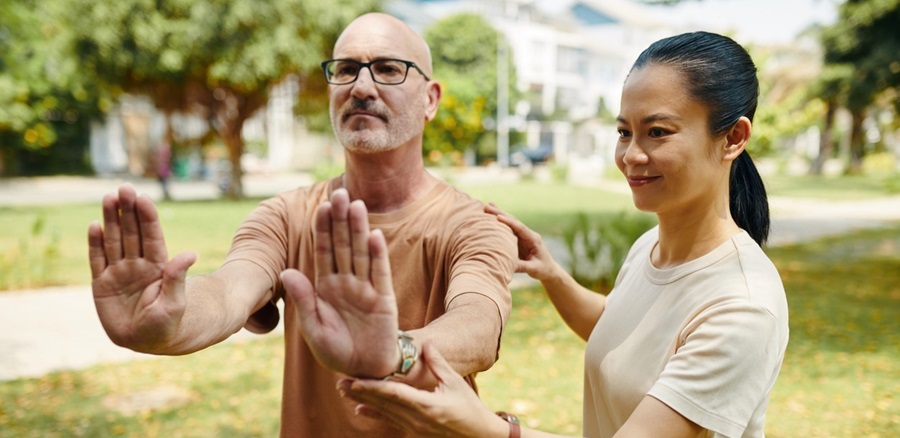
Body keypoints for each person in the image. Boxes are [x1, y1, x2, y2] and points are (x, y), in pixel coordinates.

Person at [336, 31, 790, 438]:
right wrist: (552, 274)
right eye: (623, 131)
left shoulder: (744, 306)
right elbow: (624, 333)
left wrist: (488, 429)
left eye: (657, 132)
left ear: (733, 138)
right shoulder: (651, 249)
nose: (632, 154)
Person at [86, 13, 517, 438]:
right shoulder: (286, 215)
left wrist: (397, 352)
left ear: (430, 99)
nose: (361, 87)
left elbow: (477, 323)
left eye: (388, 69)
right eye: (346, 69)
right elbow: (231, 288)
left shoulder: (474, 224)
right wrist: (171, 323)